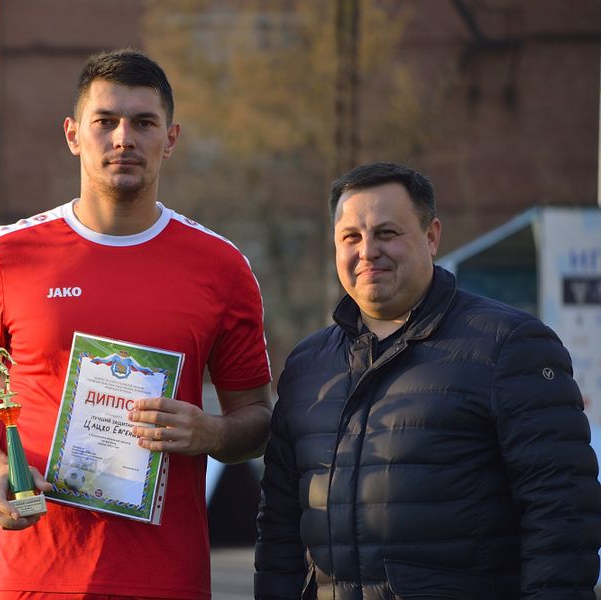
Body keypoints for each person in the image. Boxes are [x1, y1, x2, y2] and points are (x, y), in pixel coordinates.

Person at [0, 49, 272, 600]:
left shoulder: (221, 267)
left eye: (144, 123)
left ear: (171, 138)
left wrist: (209, 433)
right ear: (73, 134)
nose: (124, 139)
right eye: (106, 122)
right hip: (35, 577)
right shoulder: (5, 258)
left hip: (167, 579)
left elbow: (257, 419)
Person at [255, 162, 601, 599]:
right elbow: (280, 528)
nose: (367, 251)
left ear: (432, 236)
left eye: (387, 233)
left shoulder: (508, 346)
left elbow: (562, 511)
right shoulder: (307, 364)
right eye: (351, 237)